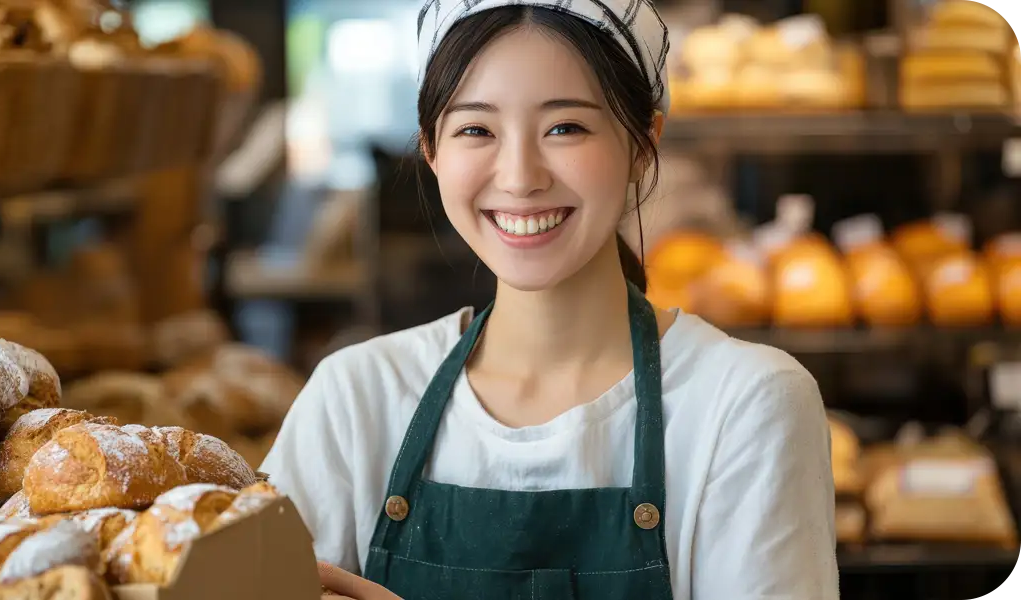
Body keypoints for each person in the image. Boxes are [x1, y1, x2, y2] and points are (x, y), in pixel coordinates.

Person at [261, 1, 839, 598]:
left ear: (644, 144)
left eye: (565, 127)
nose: (519, 176)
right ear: (432, 151)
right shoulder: (356, 398)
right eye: (476, 130)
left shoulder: (745, 405)